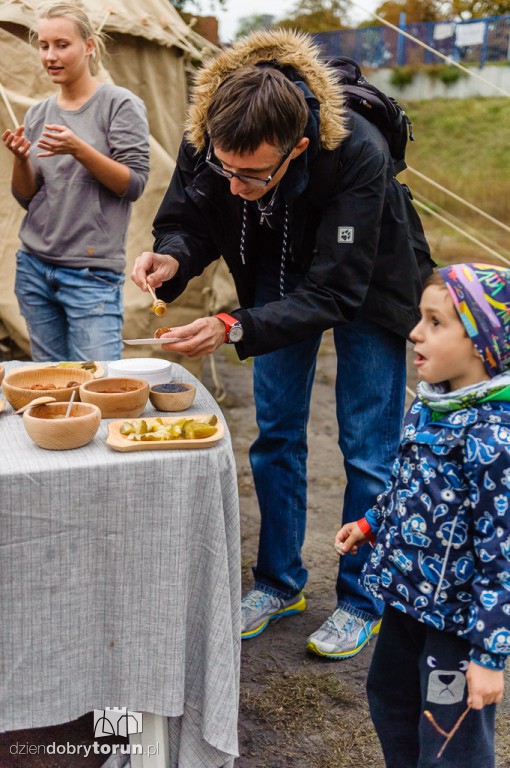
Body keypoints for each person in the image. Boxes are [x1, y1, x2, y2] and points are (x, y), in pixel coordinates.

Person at [131, 29, 432, 658]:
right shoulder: (213, 137)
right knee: (275, 435)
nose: (234, 184)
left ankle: (361, 597)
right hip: (276, 265)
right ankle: (278, 583)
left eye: (253, 175)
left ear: (296, 149)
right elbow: (189, 217)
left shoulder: (360, 150)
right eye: (225, 169)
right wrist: (172, 259)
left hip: (368, 278)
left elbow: (336, 293)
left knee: (369, 443)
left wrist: (233, 325)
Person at [336, 263, 510, 767]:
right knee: (390, 701)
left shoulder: (494, 439)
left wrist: (489, 655)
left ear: (484, 342)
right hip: (404, 599)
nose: (415, 332)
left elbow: (502, 557)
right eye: (420, 318)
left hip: (456, 625)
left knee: (450, 739)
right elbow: (405, 482)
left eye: (436, 322)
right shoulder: (430, 404)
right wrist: (372, 522)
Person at [2, 1, 149, 362]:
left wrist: (78, 148)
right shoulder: (38, 113)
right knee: (51, 387)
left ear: (89, 45)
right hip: (34, 268)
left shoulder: (119, 104)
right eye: (44, 45)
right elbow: (27, 197)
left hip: (91, 274)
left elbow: (133, 185)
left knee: (98, 384)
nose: (50, 55)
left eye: (62, 45)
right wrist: (21, 160)